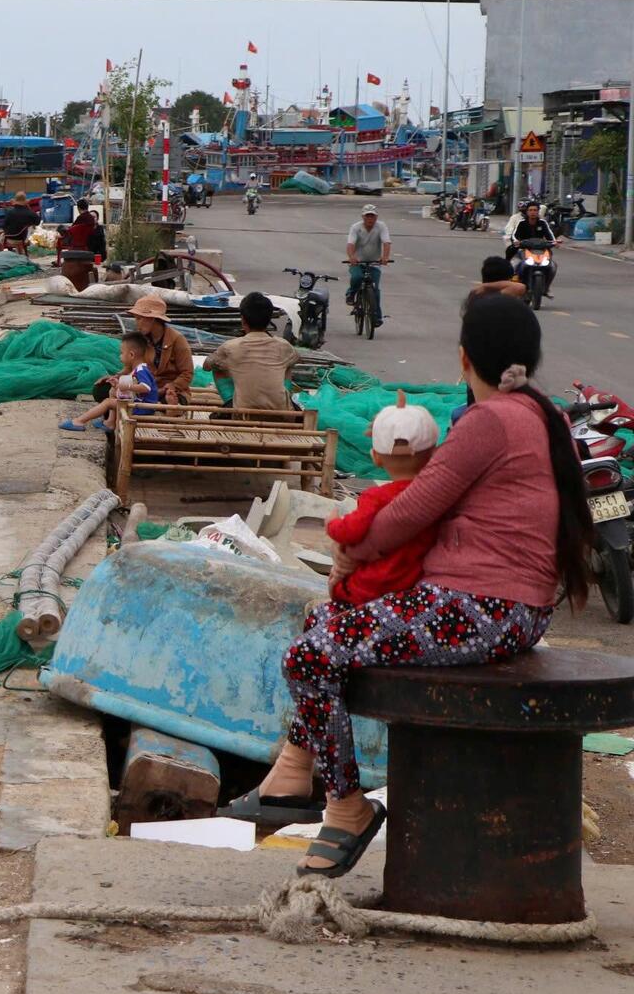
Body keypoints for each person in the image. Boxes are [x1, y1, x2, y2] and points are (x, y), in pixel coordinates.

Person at [221, 294, 593, 877]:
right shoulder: (543, 415)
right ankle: (292, 771)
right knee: (321, 625)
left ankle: (345, 806)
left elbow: (408, 512)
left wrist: (347, 552)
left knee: (311, 656)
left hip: (483, 607)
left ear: (465, 360)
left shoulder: (490, 423)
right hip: (502, 607)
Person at [323, 394, 440, 604]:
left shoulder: (376, 497)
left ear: (376, 457)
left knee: (335, 591)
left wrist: (332, 524)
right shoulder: (439, 496)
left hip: (372, 589)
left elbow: (351, 531)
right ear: (434, 454)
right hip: (414, 586)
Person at [205, 292, 300, 411]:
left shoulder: (230, 347)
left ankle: (230, 402)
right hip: (282, 413)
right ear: (268, 320)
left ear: (243, 320)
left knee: (217, 367)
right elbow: (297, 358)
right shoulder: (283, 345)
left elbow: (207, 365)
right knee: (288, 365)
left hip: (242, 413)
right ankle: (285, 401)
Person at [60, 333, 157, 431]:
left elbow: (145, 387)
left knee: (107, 403)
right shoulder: (136, 369)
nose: (120, 356)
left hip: (142, 408)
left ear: (131, 355)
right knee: (113, 391)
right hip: (137, 403)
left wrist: (126, 386)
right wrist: (117, 384)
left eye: (122, 353)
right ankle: (110, 422)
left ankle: (79, 421)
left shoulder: (141, 370)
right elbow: (134, 387)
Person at [131, 295, 194, 405]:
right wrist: (117, 376)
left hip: (170, 390)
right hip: (146, 388)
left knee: (170, 401)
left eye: (139, 319)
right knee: (103, 391)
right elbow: (131, 365)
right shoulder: (142, 339)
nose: (137, 323)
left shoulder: (177, 340)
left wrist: (173, 386)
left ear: (152, 319)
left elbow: (187, 373)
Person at [344, 203, 390, 327]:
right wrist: (352, 257)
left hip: (374, 262)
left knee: (375, 289)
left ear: (376, 217)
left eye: (372, 216)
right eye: (367, 216)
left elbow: (386, 242)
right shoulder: (355, 227)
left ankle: (377, 317)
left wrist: (385, 257)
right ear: (363, 217)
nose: (370, 219)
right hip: (358, 262)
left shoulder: (381, 226)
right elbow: (350, 244)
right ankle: (351, 293)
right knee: (357, 277)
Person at [505, 200, 561, 295]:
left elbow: (550, 236)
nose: (533, 212)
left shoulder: (543, 223)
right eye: (530, 210)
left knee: (552, 266)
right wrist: (516, 242)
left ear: (538, 211)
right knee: (517, 264)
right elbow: (514, 235)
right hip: (524, 249)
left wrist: (554, 242)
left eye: (535, 210)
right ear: (527, 212)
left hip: (541, 250)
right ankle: (516, 281)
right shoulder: (521, 223)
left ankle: (546, 288)